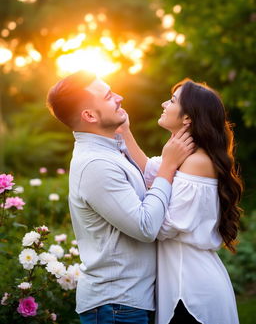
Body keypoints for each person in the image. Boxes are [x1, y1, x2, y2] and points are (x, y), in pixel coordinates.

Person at [46, 71, 194, 324]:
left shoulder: (110, 152)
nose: (119, 97)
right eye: (108, 96)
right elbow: (145, 226)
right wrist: (168, 167)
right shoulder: (96, 164)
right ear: (89, 115)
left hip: (127, 303)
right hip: (116, 307)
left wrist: (125, 134)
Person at [120, 78, 243, 324]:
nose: (165, 103)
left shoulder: (198, 162)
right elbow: (149, 170)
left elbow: (164, 226)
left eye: (173, 101)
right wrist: (123, 128)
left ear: (187, 118)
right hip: (181, 279)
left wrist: (135, 212)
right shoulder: (186, 155)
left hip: (191, 289)